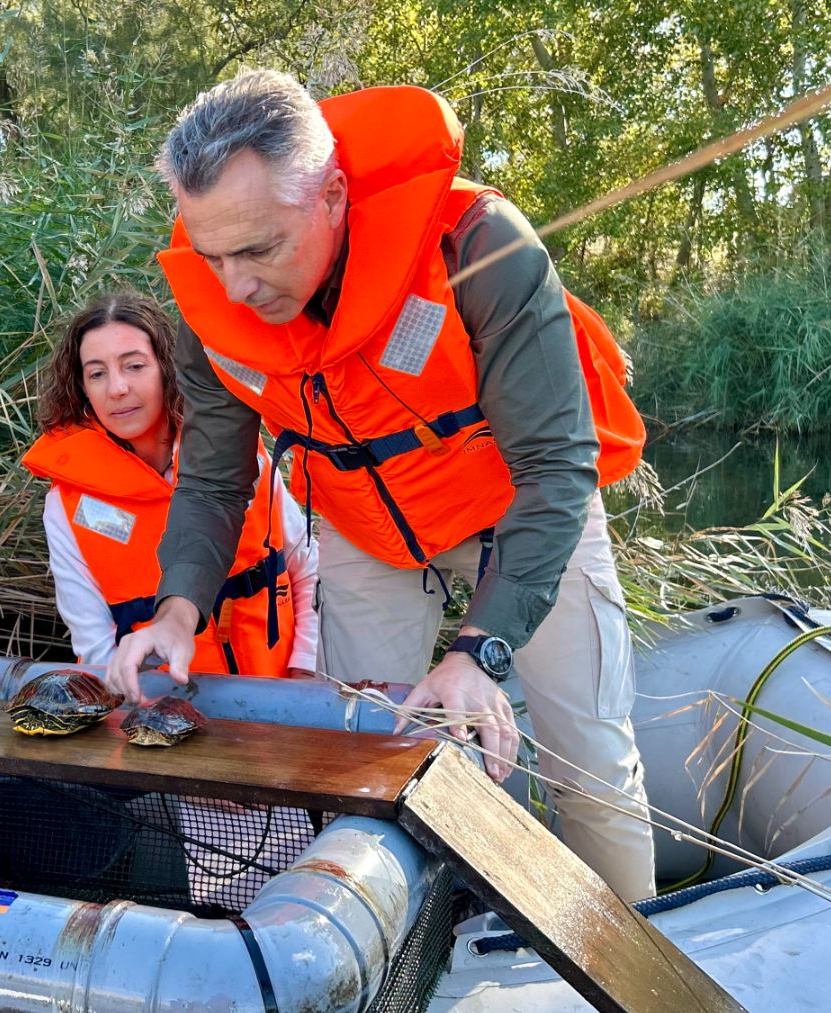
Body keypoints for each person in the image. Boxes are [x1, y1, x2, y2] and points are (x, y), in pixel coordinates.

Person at [105, 70, 655, 900]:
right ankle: (389, 954)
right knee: (360, 756)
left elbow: (555, 468)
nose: (235, 287)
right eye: (214, 254)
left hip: (519, 515)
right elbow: (215, 481)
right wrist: (176, 611)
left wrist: (478, 650)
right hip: (368, 531)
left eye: (259, 248)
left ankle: (637, 957)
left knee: (592, 759)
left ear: (331, 196)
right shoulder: (214, 316)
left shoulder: (481, 247)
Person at [22, 292, 318, 676]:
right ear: (81, 388)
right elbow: (94, 644)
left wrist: (305, 669)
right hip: (159, 711)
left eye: (134, 366)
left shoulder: (240, 457)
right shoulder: (65, 506)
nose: (117, 389)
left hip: (281, 694)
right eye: (97, 373)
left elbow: (305, 567)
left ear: (168, 367)